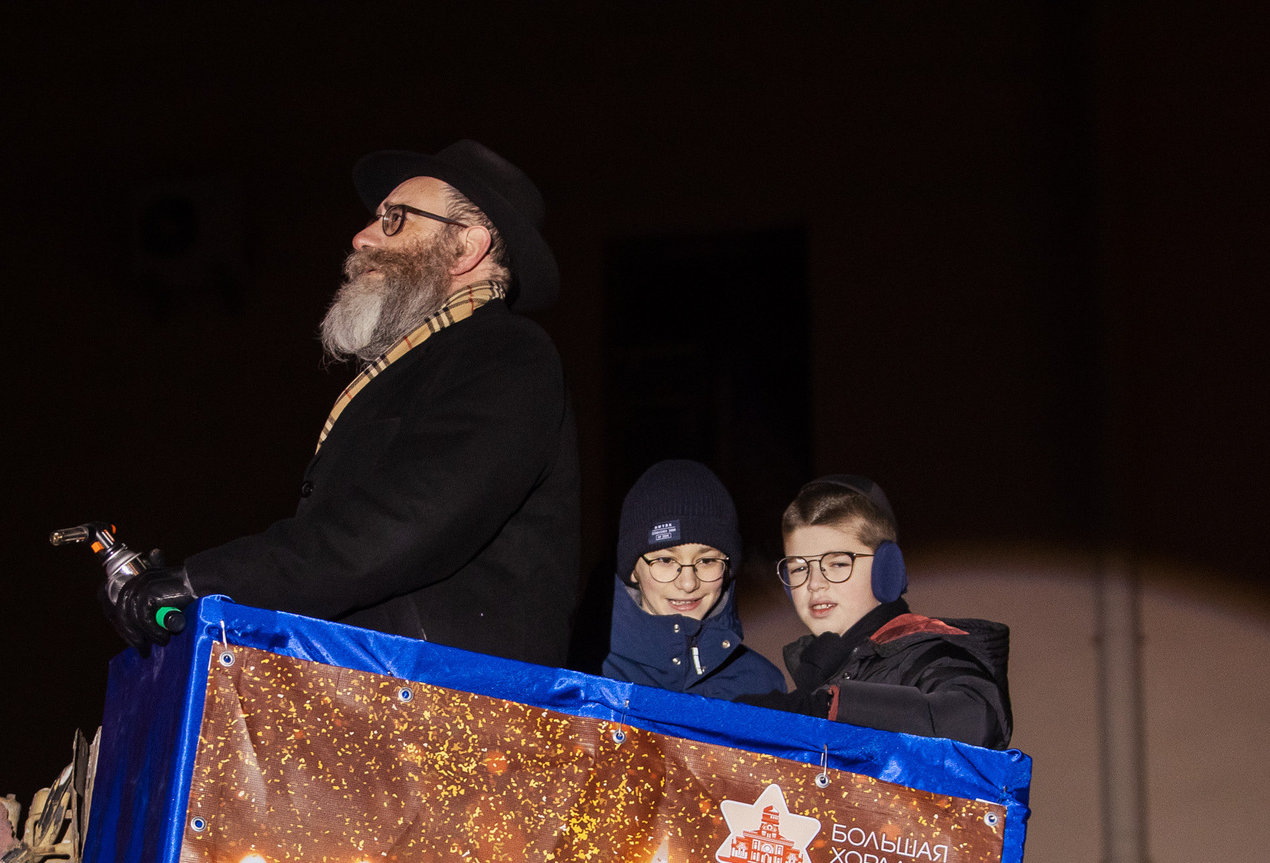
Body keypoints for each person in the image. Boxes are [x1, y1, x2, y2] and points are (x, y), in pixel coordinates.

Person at [107, 141, 581, 665]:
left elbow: (402, 524)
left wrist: (205, 581)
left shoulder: (506, 351)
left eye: (394, 219)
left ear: (466, 247)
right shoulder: (427, 361)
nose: (361, 237)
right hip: (379, 684)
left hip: (443, 699)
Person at [742, 477, 1011, 747]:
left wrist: (827, 708)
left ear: (886, 569)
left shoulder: (930, 658)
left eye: (837, 564)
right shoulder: (819, 671)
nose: (814, 584)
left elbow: (976, 720)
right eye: (799, 568)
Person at [600, 459, 785, 699]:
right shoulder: (587, 673)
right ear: (633, 570)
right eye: (666, 560)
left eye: (706, 561)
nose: (688, 584)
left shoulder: (761, 683)